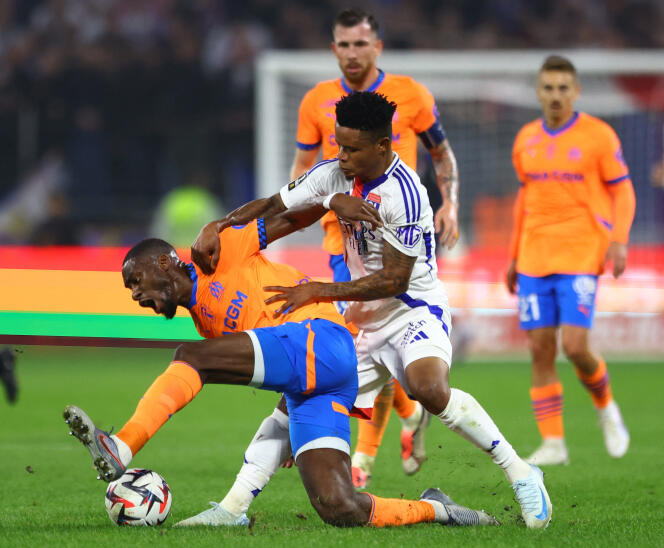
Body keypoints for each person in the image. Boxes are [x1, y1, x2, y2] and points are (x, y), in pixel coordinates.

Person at [190, 91, 552, 529]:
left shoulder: (409, 194)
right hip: (359, 323)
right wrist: (220, 225)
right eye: (338, 145)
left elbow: (394, 281)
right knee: (295, 403)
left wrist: (320, 290)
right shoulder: (332, 174)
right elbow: (273, 205)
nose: (341, 156)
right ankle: (231, 510)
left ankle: (521, 473)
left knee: (427, 389)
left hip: (411, 311)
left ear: (382, 146)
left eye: (352, 148)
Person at [64, 217, 497, 528]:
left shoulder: (217, 251)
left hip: (323, 340)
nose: (136, 295)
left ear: (163, 262)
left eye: (135, 281)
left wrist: (231, 220)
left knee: (191, 357)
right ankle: (439, 510)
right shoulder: (204, 319)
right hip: (317, 376)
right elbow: (275, 354)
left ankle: (122, 446)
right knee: (339, 507)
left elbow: (287, 214)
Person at [290, 7, 462, 488]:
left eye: (360, 44)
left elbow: (441, 153)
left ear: (377, 47)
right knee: (363, 344)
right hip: (340, 240)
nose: (351, 53)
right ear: (333, 49)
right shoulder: (316, 102)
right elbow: (301, 167)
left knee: (375, 338)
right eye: (343, 44)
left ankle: (362, 462)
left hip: (399, 237)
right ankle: (407, 418)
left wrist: (451, 204)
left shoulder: (411, 95)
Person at [506, 55, 636, 466]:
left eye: (564, 88)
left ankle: (606, 407)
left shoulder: (599, 136)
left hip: (581, 252)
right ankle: (554, 443)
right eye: (548, 88)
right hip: (532, 256)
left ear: (576, 92)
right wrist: (513, 256)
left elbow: (624, 191)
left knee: (576, 346)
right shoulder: (525, 137)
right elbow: (524, 199)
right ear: (539, 92)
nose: (556, 95)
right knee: (540, 350)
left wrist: (619, 241)